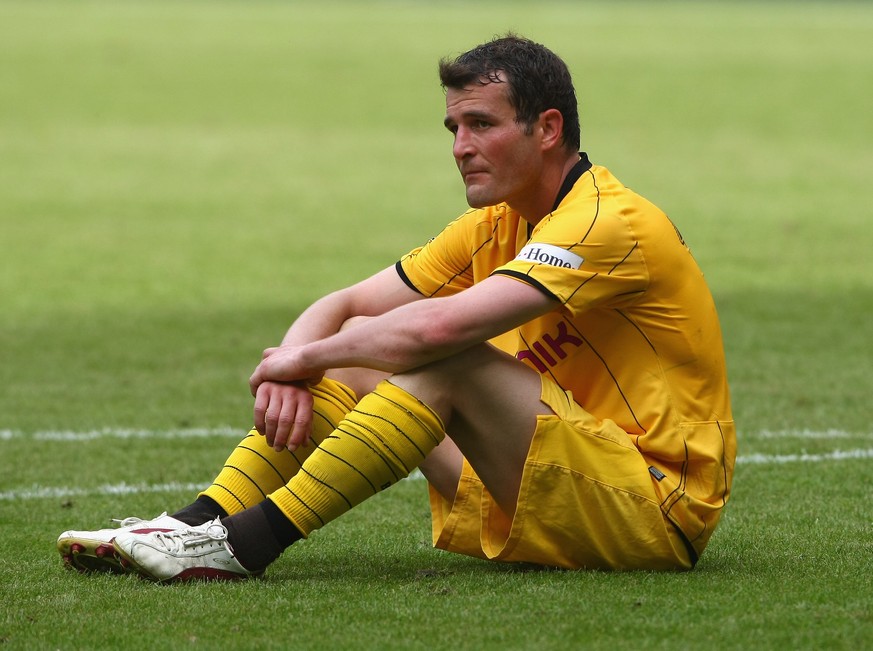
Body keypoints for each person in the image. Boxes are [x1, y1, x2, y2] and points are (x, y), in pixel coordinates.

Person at [57, 34, 735, 582]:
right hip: (559, 480)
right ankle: (187, 527)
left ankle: (238, 546)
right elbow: (346, 303)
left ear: (547, 127)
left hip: (650, 504)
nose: (459, 147)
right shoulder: (494, 224)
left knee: (445, 359)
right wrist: (294, 368)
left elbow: (438, 329)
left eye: (480, 124)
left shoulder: (606, 221)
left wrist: (305, 356)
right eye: (452, 126)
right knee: (355, 352)